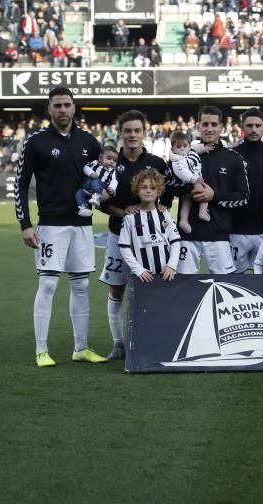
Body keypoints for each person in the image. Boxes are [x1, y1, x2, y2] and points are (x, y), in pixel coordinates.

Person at [14, 86, 107, 367]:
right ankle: (42, 350)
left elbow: (99, 181)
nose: (63, 110)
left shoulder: (90, 142)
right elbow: (20, 183)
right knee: (48, 285)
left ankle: (81, 347)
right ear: (49, 109)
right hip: (51, 225)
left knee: (81, 286)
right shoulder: (36, 141)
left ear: (74, 107)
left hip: (81, 224)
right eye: (57, 105)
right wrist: (25, 224)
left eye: (67, 104)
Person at [98, 110, 168, 361]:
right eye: (127, 130)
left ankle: (153, 339)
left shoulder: (158, 163)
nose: (132, 135)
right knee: (117, 289)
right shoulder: (110, 164)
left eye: (137, 130)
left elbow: (166, 201)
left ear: (144, 133)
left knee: (154, 288)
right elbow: (101, 203)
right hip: (119, 236)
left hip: (152, 242)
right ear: (120, 133)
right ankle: (118, 344)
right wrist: (123, 211)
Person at [163, 105, 249, 276]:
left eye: (213, 124)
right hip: (187, 234)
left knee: (224, 287)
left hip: (218, 234)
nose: (209, 129)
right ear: (198, 127)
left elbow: (243, 198)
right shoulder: (184, 153)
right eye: (205, 124)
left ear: (221, 128)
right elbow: (167, 187)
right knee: (184, 288)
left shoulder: (233, 157)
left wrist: (214, 195)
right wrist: (190, 187)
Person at [232, 108, 263, 273]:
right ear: (242, 127)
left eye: (257, 125)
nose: (254, 129)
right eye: (249, 125)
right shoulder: (233, 154)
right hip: (237, 230)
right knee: (234, 279)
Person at [118, 168, 181, 283]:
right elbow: (124, 247)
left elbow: (175, 242)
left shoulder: (165, 214)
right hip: (142, 277)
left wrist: (171, 265)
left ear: (159, 192)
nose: (148, 191)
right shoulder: (130, 218)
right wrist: (138, 270)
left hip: (166, 275)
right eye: (144, 187)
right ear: (137, 190)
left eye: (152, 188)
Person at [167, 130, 209, 233]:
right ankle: (202, 212)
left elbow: (197, 148)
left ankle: (183, 221)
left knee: (187, 202)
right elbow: (182, 173)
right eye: (178, 146)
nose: (182, 148)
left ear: (189, 146)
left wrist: (205, 148)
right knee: (204, 192)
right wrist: (193, 179)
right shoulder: (176, 160)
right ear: (173, 148)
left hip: (192, 182)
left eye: (185, 146)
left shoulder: (191, 151)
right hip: (186, 184)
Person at [75, 145, 118, 217]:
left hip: (101, 186)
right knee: (79, 193)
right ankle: (83, 207)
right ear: (100, 158)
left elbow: (115, 181)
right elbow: (85, 167)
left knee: (95, 181)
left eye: (114, 160)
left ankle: (97, 196)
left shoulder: (112, 171)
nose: (112, 162)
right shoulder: (94, 163)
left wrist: (112, 188)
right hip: (86, 185)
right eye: (109, 158)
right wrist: (91, 173)